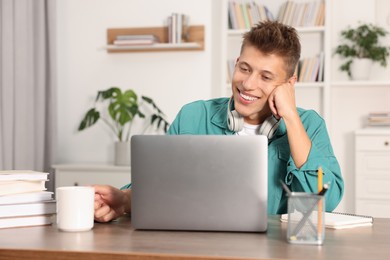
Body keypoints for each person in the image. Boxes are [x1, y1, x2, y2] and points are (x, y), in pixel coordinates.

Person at [93, 21, 344, 223]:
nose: (248, 84)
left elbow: (326, 200)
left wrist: (290, 117)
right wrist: (125, 199)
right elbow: (161, 188)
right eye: (245, 68)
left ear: (289, 84)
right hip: (199, 246)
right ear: (236, 64)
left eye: (266, 76)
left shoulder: (308, 125)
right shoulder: (193, 116)